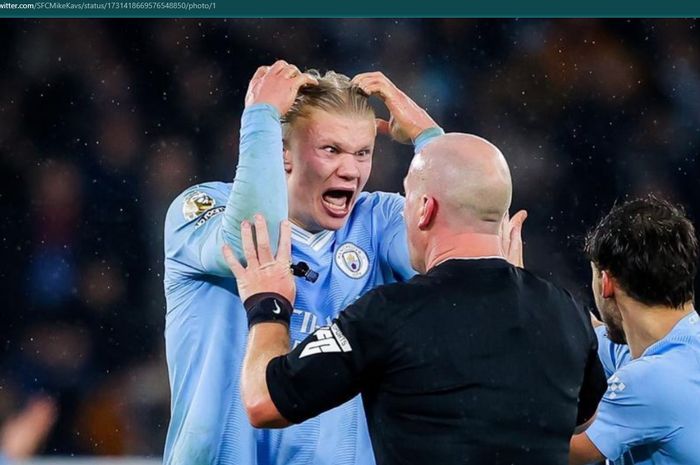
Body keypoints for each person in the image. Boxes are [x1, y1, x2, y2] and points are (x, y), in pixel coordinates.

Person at [223, 133, 607, 465]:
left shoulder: (388, 314)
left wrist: (268, 305)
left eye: (407, 197)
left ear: (425, 209)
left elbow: (263, 401)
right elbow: (583, 421)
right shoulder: (566, 310)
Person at [163, 61, 460, 464]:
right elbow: (255, 238)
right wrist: (261, 119)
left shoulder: (377, 220)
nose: (351, 170)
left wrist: (430, 140)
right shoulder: (200, 209)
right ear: (282, 152)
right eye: (331, 150)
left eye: (363, 153)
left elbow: (462, 244)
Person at [569, 197, 700, 465]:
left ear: (605, 282)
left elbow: (552, 451)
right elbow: (590, 331)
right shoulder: (675, 352)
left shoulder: (653, 379)